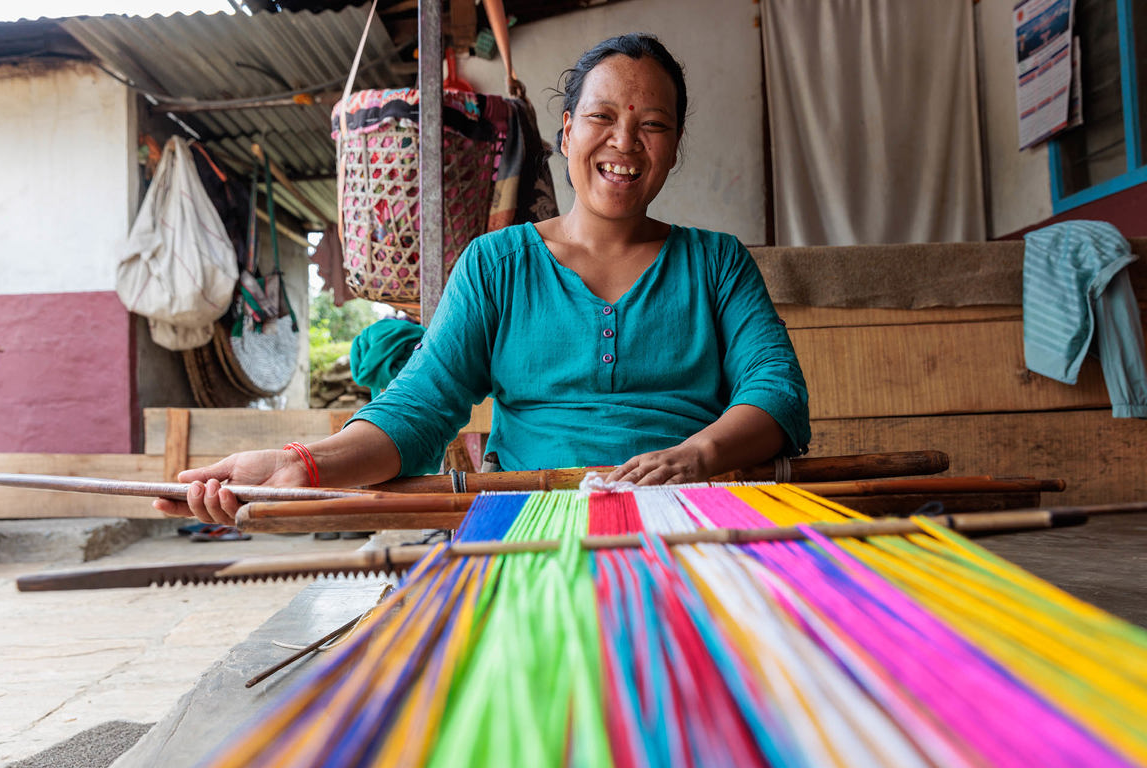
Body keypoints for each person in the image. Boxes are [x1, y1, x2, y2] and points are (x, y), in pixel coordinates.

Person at [156, 33, 810, 525]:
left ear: (675, 145)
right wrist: (302, 464)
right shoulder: (497, 265)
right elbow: (422, 406)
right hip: (534, 520)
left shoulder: (717, 263)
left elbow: (778, 391)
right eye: (602, 117)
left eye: (654, 125)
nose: (625, 142)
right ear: (567, 129)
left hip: (692, 518)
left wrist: (697, 454)